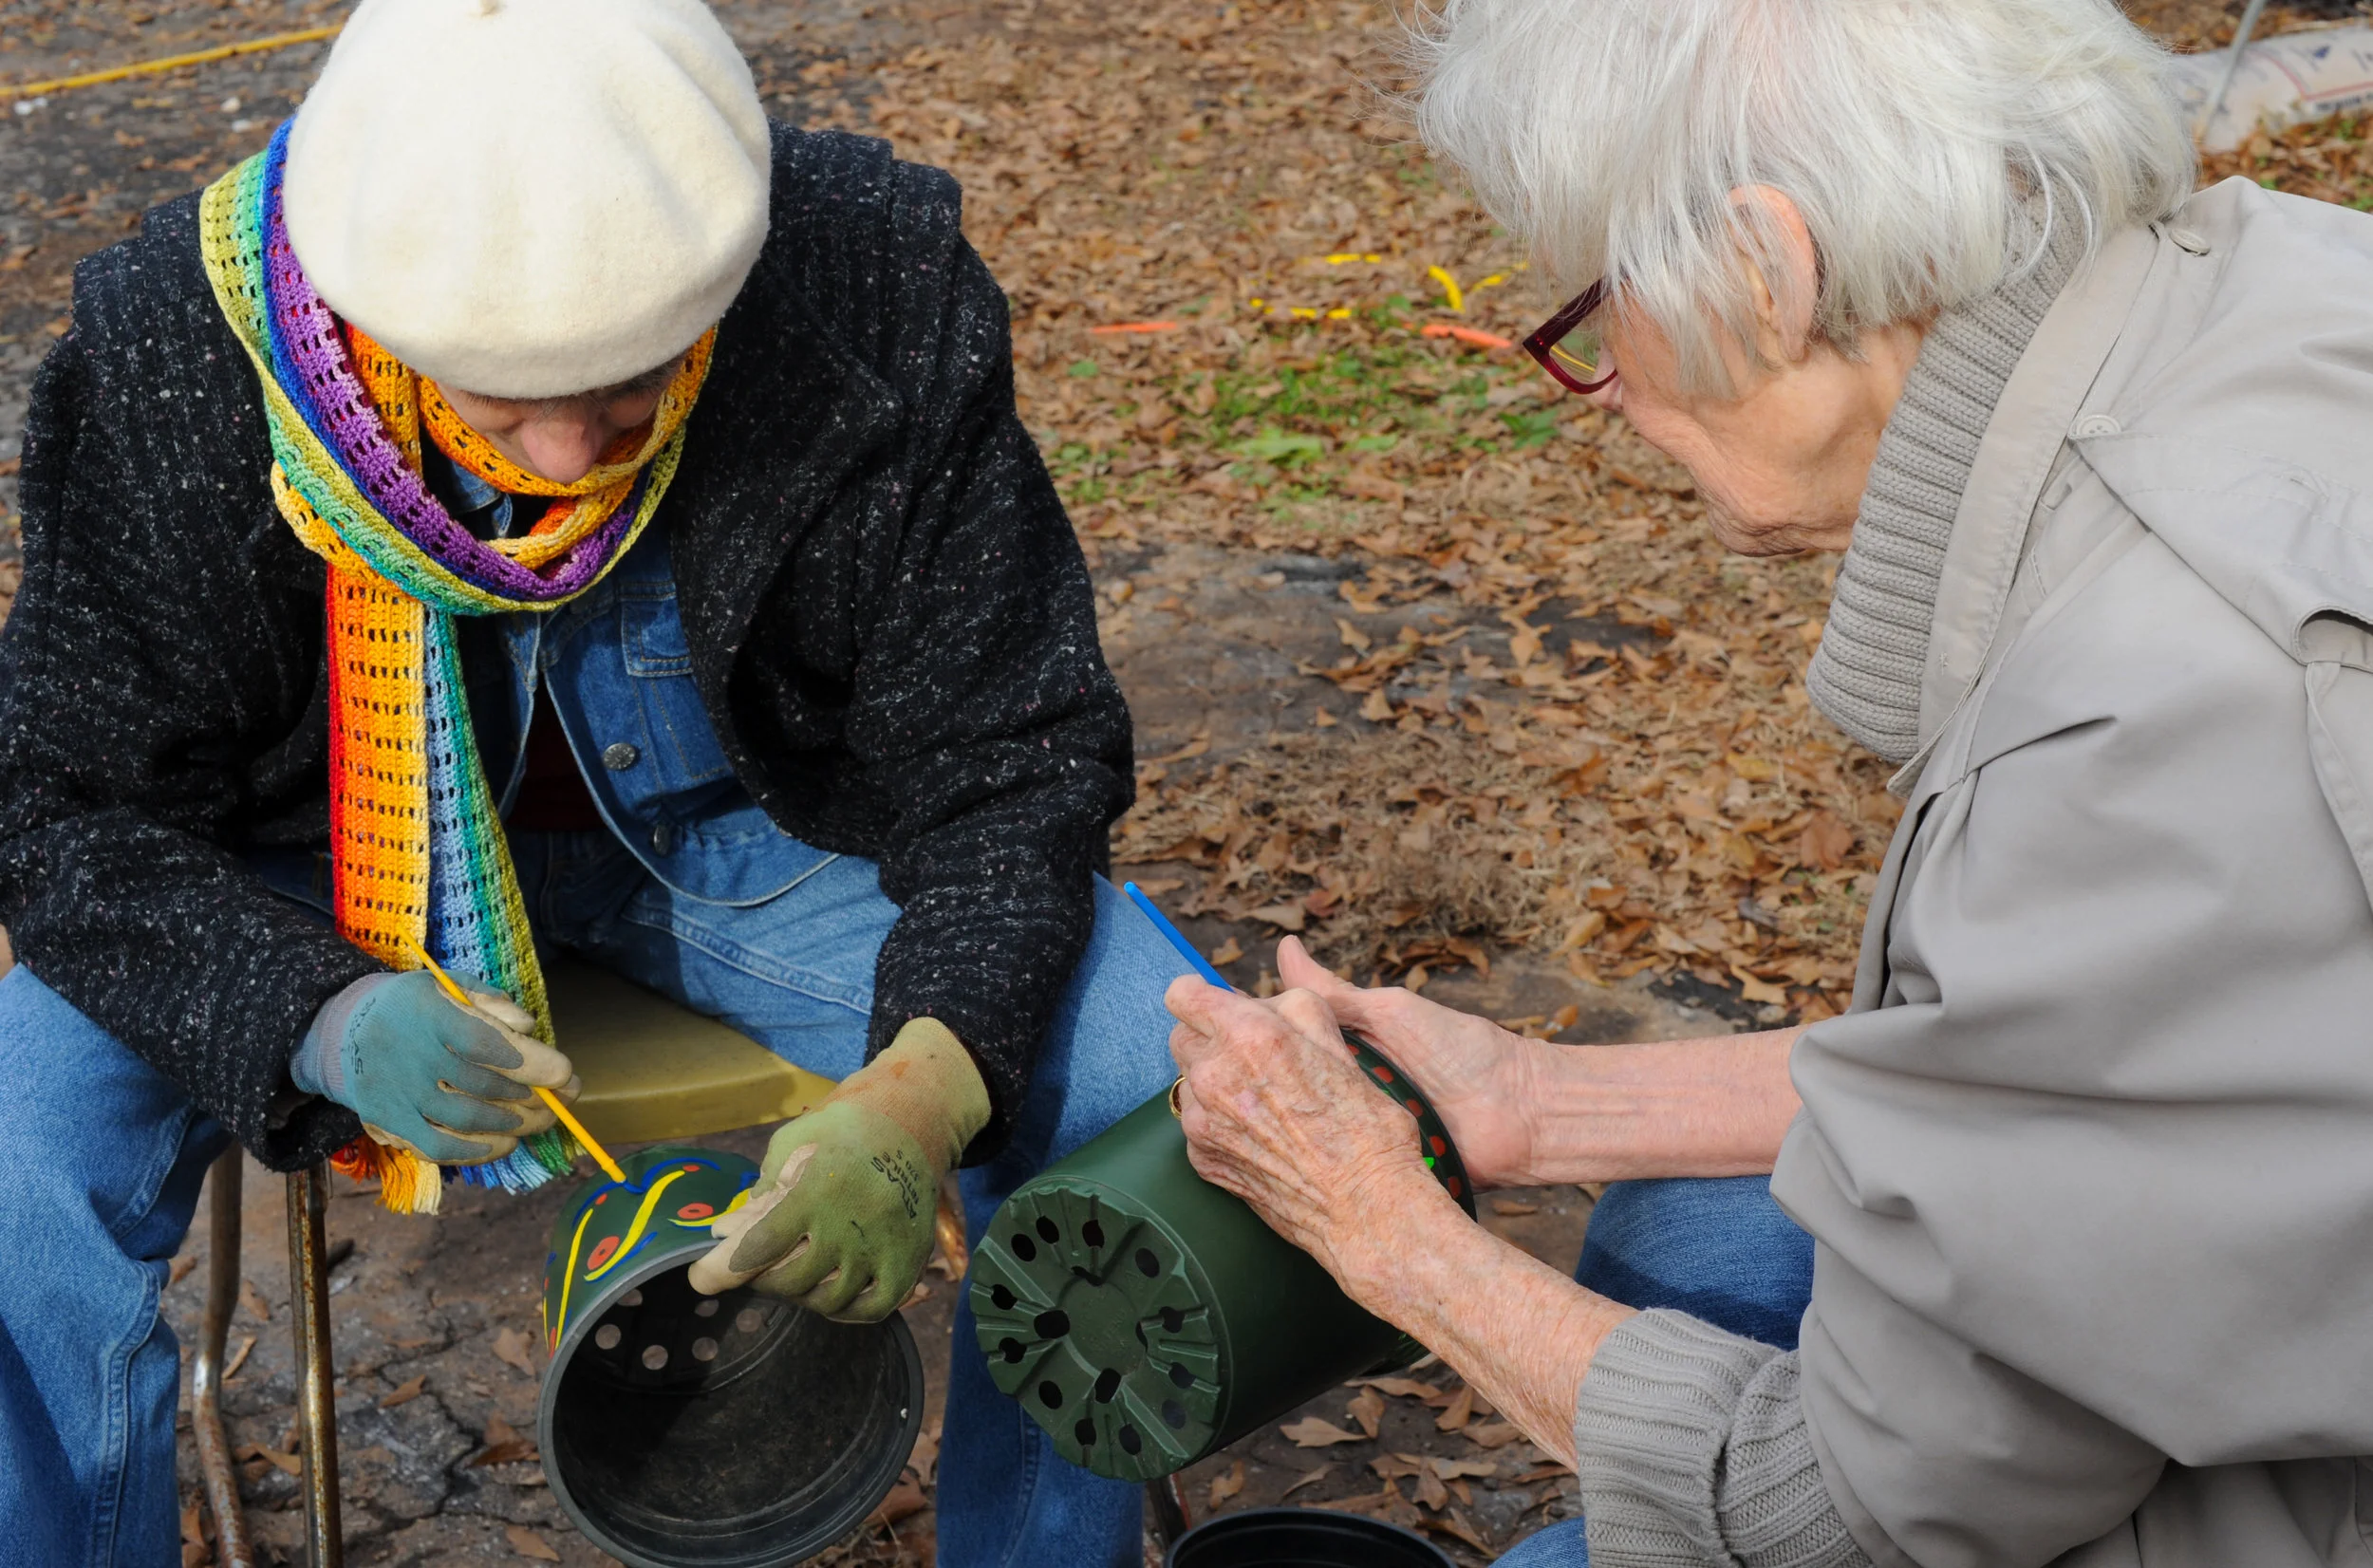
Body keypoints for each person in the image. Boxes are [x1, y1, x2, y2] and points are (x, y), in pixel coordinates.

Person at [1164, 1, 2373, 1564]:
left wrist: (1382, 1236)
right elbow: (2122, 1065)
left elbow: (1859, 1513)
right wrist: (1539, 1102)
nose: (1603, 388)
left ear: (1763, 269)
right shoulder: (2287, 278)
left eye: (1597, 314)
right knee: (1687, 1224)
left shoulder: (2148, 714)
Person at [0, 0, 1186, 1562]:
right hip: (309, 871)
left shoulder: (868, 278)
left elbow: (1014, 751)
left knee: (1152, 1081)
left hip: (755, 839)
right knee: (22, 1152)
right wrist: (309, 1012)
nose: (567, 458)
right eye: (497, 407)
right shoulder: (184, 343)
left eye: (632, 392)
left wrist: (924, 1085)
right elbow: (65, 808)